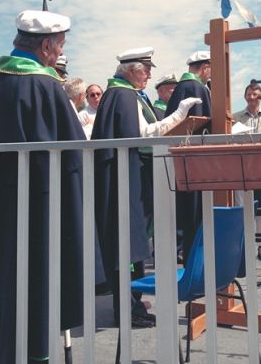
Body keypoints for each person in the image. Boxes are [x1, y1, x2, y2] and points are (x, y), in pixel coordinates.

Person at [0, 10, 103, 363]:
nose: (58, 54)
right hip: (38, 209)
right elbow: (72, 155)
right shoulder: (46, 86)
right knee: (35, 286)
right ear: (45, 46)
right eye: (59, 47)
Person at [92, 47, 201, 328]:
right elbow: (143, 134)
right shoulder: (124, 95)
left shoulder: (121, 94)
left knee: (130, 244)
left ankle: (133, 303)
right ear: (131, 70)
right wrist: (179, 114)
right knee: (126, 245)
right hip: (127, 180)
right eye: (145, 69)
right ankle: (126, 308)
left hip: (126, 177)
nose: (150, 74)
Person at [165, 50, 212, 263]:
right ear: (205, 67)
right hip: (195, 162)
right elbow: (203, 126)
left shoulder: (181, 88)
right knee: (194, 215)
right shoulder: (196, 87)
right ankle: (195, 261)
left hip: (181, 161)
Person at [233, 81, 261, 261]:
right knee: (241, 207)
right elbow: (231, 140)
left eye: (255, 94)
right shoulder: (235, 117)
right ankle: (240, 244)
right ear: (245, 96)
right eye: (249, 94)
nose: (252, 98)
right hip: (241, 167)